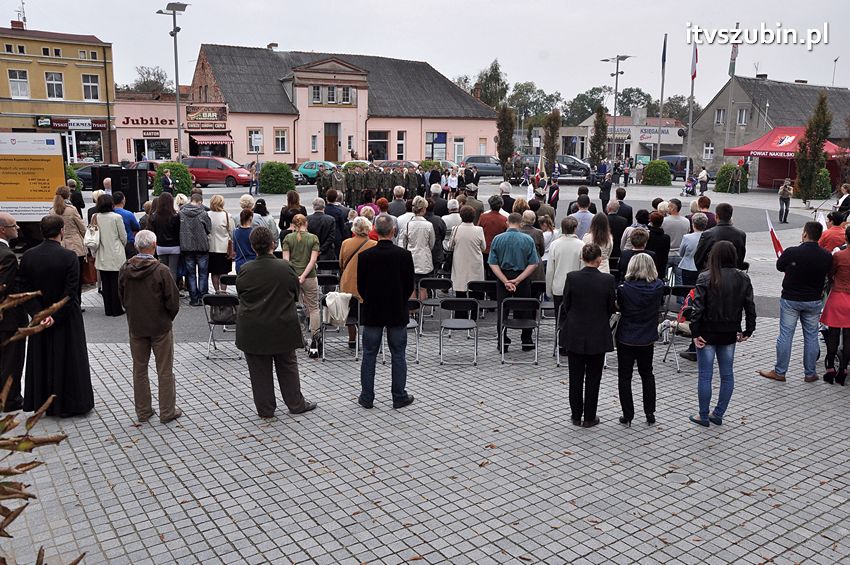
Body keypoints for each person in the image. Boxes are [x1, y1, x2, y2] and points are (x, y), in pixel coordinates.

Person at [236, 227, 317, 418]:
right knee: (287, 366)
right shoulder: (285, 267)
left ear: (253, 247)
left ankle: (265, 409)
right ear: (273, 244)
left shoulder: (245, 270)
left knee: (259, 371)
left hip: (253, 327)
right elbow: (293, 292)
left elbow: (241, 294)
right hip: (282, 325)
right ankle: (296, 403)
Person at [19, 215, 94, 417]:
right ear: (61, 231)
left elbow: (24, 289)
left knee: (42, 358)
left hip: (39, 317)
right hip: (65, 318)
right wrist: (55, 315)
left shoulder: (28, 256)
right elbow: (71, 292)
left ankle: (43, 400)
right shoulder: (68, 257)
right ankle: (71, 403)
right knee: (69, 359)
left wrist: (39, 313)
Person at [689, 241, 756, 427]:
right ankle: (718, 413)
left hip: (707, 332)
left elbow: (698, 307)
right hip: (729, 331)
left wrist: (695, 331)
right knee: (727, 375)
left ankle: (703, 415)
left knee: (705, 375)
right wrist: (748, 329)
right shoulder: (742, 278)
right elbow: (749, 306)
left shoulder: (705, 277)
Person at [119, 229, 181, 423]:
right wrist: (167, 317)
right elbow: (173, 301)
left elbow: (121, 296)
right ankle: (167, 411)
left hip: (136, 325)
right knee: (164, 369)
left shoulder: (125, 269)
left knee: (139, 369)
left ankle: (144, 411)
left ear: (137, 246)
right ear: (154, 246)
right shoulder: (161, 270)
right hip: (160, 325)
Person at [758, 222, 832, 384]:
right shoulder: (826, 256)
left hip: (791, 299)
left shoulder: (792, 252)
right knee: (811, 336)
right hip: (813, 300)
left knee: (786, 335)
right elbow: (829, 273)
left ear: (805, 234)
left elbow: (779, 266)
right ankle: (810, 373)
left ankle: (780, 371)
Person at [357, 214, 416, 409]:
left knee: (369, 354)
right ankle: (399, 396)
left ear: (375, 230)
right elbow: (409, 286)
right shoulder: (404, 256)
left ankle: (367, 397)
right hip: (396, 310)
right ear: (393, 231)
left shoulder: (365, 256)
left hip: (373, 310)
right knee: (398, 354)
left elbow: (361, 286)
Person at [562, 243, 616, 428]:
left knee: (575, 376)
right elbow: (611, 307)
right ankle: (590, 416)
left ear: (583, 258)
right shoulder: (608, 280)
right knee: (594, 377)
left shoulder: (572, 277)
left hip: (575, 331)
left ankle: (576, 414)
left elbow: (566, 303)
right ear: (599, 259)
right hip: (597, 332)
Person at [616, 253, 665, 426]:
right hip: (647, 336)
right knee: (647, 374)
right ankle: (650, 412)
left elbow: (620, 307)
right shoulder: (658, 286)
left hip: (627, 335)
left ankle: (627, 414)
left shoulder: (623, 288)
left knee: (625, 376)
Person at [489, 213, 540, 352]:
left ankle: (502, 342)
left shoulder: (498, 239)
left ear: (507, 222)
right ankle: (526, 340)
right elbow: (534, 263)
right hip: (521, 278)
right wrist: (518, 279)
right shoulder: (527, 239)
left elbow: (492, 263)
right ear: (521, 223)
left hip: (503, 276)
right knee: (525, 308)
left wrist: (505, 280)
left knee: (502, 310)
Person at [281, 214, 321, 353]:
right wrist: (304, 276)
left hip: (293, 278)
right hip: (309, 277)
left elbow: (286, 261)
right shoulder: (313, 238)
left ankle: (301, 338)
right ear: (306, 223)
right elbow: (312, 260)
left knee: (296, 308)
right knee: (314, 308)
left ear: (293, 225)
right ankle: (315, 339)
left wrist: (296, 276)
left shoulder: (288, 238)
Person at [0, 213, 26, 411]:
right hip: (8, 319)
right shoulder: (7, 256)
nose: (16, 229)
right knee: (11, 360)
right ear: (3, 230)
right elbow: (6, 290)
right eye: (13, 226)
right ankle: (10, 399)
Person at [339, 216, 377, 346]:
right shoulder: (373, 244)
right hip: (368, 283)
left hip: (349, 281)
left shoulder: (346, 243)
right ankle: (368, 339)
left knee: (351, 312)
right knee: (367, 313)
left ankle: (352, 339)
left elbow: (342, 263)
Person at [548, 217, 585, 351]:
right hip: (576, 287)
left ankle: (561, 343)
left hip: (559, 285)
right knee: (575, 316)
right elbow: (582, 267)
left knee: (560, 317)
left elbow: (550, 269)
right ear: (575, 228)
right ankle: (573, 343)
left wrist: (548, 289)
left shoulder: (555, 244)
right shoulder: (581, 245)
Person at [821, 225, 850, 385]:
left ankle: (830, 368)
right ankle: (844, 369)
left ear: (846, 238)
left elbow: (830, 274)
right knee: (848, 338)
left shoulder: (839, 255)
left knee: (833, 335)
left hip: (838, 296)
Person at [92, 194, 127, 316]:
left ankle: (108, 309)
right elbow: (123, 236)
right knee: (116, 282)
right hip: (115, 251)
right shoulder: (117, 217)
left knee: (105, 282)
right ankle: (117, 309)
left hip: (101, 251)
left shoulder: (95, 216)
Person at [50, 186, 87, 302]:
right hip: (75, 245)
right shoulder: (72, 210)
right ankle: (77, 301)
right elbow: (82, 227)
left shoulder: (52, 211)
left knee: (62, 277)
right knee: (77, 276)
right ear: (68, 195)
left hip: (59, 245)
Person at [179, 193, 212, 307]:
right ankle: (202, 298)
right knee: (203, 274)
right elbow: (209, 228)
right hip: (201, 247)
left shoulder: (181, 213)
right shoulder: (203, 213)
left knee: (191, 274)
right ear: (200, 202)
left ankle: (193, 299)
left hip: (187, 246)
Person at [449, 205, 486, 307]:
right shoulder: (479, 230)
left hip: (460, 263)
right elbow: (483, 247)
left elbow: (450, 246)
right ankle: (474, 315)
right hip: (475, 263)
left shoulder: (455, 229)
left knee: (460, 291)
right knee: (475, 291)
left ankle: (460, 314)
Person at [399, 196, 435, 298]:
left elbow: (402, 242)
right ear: (423, 209)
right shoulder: (429, 225)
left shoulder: (407, 224)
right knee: (423, 287)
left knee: (411, 287)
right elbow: (431, 243)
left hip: (410, 258)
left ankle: (412, 310)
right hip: (424, 258)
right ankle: (422, 311)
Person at [694, 203, 746, 271]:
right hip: (732, 273)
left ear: (716, 216)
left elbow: (698, 258)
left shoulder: (708, 234)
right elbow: (741, 256)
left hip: (712, 274)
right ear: (730, 217)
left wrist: (705, 271)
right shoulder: (741, 234)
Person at [150, 192, 181, 280]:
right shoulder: (175, 216)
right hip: (174, 246)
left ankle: (163, 289)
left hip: (160, 246)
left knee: (163, 270)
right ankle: (172, 291)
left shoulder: (155, 216)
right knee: (173, 270)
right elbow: (178, 231)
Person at [207, 195, 233, 293]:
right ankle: (224, 291)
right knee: (224, 272)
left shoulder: (207, 215)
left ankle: (216, 291)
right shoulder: (227, 216)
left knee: (214, 272)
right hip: (224, 247)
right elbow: (231, 231)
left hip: (211, 247)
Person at [679, 213, 708, 286]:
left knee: (687, 290)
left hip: (688, 266)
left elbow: (681, 253)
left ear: (693, 224)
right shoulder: (708, 237)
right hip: (703, 268)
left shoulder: (687, 237)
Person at [112, 191, 141, 258]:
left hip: (114, 243)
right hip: (128, 243)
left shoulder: (109, 214)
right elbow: (137, 227)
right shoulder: (128, 214)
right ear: (123, 201)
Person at [646, 212, 671, 281]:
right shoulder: (666, 238)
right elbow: (666, 252)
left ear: (651, 221)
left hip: (648, 263)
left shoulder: (648, 235)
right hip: (661, 264)